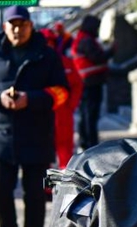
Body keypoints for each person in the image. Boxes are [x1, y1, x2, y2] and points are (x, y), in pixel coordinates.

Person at [0, 5, 69, 227]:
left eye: (22, 24)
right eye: (12, 25)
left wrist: (32, 99)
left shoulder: (47, 56)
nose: (17, 29)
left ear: (30, 26)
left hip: (36, 134)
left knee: (35, 196)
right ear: (5, 27)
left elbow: (62, 92)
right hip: (1, 135)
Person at [41, 27, 83, 167]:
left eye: (51, 42)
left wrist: (71, 105)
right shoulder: (33, 66)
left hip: (63, 113)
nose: (48, 45)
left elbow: (77, 84)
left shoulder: (66, 62)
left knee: (65, 152)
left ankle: (66, 184)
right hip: (40, 115)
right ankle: (46, 188)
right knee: (43, 155)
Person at [71, 14, 113, 151]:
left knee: (86, 115)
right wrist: (112, 50)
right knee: (90, 116)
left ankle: (86, 143)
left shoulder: (81, 39)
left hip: (86, 82)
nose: (98, 29)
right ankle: (91, 144)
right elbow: (98, 57)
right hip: (91, 83)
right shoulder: (87, 40)